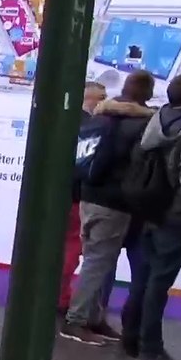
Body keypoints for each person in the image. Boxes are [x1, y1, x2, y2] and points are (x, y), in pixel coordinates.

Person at [60, 71, 156, 346]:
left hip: (89, 196)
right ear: (147, 95)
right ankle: (75, 320)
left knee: (97, 259)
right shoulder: (140, 125)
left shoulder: (100, 118)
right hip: (114, 201)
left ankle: (93, 317)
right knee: (97, 262)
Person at [119, 73, 181, 360]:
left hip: (150, 209)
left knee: (144, 277)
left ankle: (131, 337)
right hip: (177, 215)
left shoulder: (158, 120)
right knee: (159, 283)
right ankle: (152, 349)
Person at [59, 81, 109, 314]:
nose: (104, 101)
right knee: (71, 249)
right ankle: (62, 298)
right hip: (77, 196)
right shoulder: (91, 127)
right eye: (100, 97)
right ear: (86, 98)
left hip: (64, 194)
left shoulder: (63, 122)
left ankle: (60, 295)